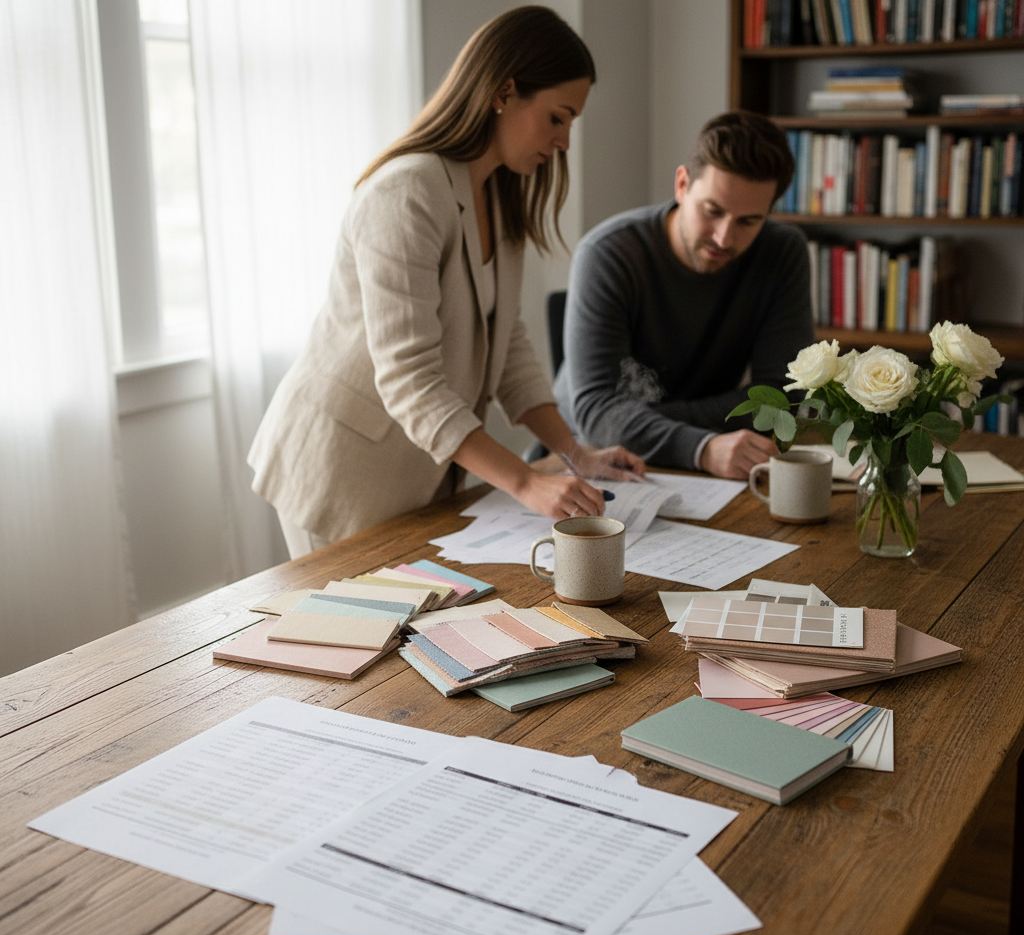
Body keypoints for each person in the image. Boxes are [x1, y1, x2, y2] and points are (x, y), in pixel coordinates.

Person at [247, 6, 645, 558]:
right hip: (342, 471)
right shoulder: (406, 193)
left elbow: (508, 345)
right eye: (558, 117)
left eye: (571, 123)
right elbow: (409, 379)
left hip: (422, 474)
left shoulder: (499, 196)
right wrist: (527, 481)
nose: (564, 142)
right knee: (357, 641)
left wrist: (576, 453)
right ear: (504, 91)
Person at [552, 110, 814, 480]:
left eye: (748, 221)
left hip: (699, 465)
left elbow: (780, 398)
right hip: (585, 460)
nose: (724, 237)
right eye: (713, 211)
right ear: (681, 184)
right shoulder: (609, 253)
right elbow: (595, 415)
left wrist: (635, 422)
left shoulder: (782, 253)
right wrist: (699, 446)